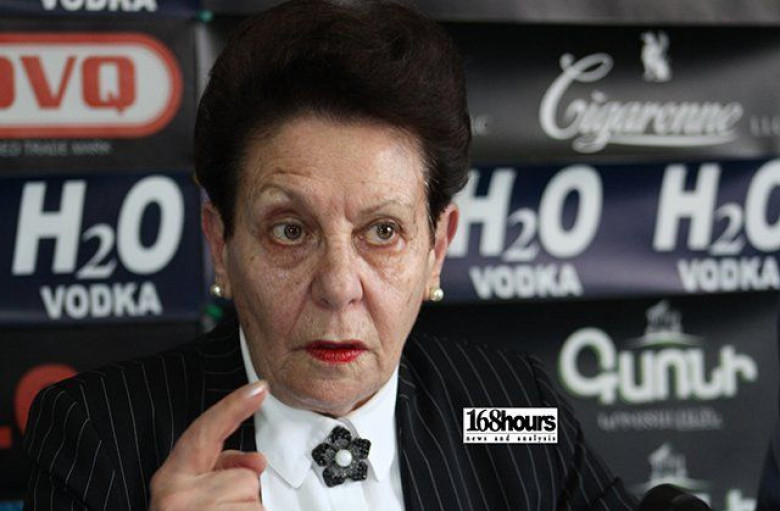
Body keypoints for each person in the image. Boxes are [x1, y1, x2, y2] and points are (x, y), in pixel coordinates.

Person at [22, 1, 636, 509]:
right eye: (290, 231)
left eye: (383, 231)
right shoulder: (96, 432)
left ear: (436, 248)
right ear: (220, 243)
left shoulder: (511, 409)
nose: (339, 286)